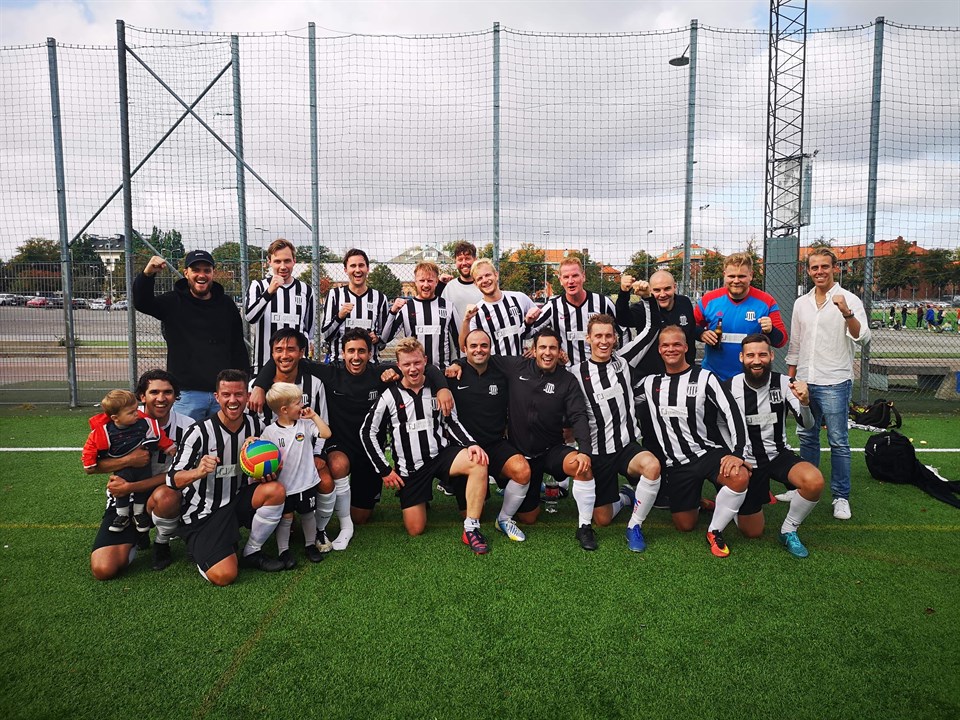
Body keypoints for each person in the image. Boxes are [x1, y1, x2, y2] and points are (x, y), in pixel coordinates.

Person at [250, 328, 452, 549]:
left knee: (361, 517)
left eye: (362, 351)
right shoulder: (330, 373)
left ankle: (347, 511)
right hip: (341, 445)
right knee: (338, 465)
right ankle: (342, 526)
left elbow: (425, 366)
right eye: (351, 351)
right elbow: (285, 359)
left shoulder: (382, 373)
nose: (356, 357)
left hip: (370, 451)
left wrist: (443, 387)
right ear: (343, 353)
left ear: (370, 353)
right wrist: (259, 385)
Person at [463, 327, 597, 550]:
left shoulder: (568, 380)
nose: (547, 352)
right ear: (533, 350)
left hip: (551, 450)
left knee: (582, 467)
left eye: (552, 348)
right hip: (520, 453)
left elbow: (578, 415)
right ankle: (511, 505)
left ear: (559, 352)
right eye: (542, 347)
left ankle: (584, 527)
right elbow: (480, 356)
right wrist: (457, 363)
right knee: (529, 517)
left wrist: (584, 450)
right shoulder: (516, 366)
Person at [155, 369, 287, 585]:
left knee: (275, 490)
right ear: (217, 397)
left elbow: (272, 463)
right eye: (226, 395)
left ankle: (252, 551)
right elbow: (172, 479)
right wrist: (198, 471)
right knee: (224, 575)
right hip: (205, 510)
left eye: (239, 394)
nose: (233, 400)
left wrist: (270, 470)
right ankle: (201, 548)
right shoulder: (198, 432)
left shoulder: (257, 426)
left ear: (247, 396)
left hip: (237, 500)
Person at [361, 338, 492, 554]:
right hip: (411, 468)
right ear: (398, 366)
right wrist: (384, 469)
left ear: (425, 361)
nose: (412, 369)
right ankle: (421, 498)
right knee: (415, 529)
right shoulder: (389, 395)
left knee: (478, 461)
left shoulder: (438, 390)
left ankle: (471, 528)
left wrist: (471, 444)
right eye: (406, 364)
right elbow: (367, 432)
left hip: (441, 456)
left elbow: (452, 422)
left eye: (417, 363)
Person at [635, 326, 750, 558]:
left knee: (739, 476)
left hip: (706, 453)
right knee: (684, 525)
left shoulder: (705, 377)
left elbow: (732, 412)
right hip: (676, 464)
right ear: (659, 350)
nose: (671, 349)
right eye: (666, 345)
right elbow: (623, 399)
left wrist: (738, 452)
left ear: (686, 347)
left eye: (677, 344)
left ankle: (714, 530)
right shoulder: (649, 384)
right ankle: (698, 501)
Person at [786, 248, 870, 520]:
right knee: (807, 436)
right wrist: (791, 377)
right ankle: (804, 488)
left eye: (825, 266)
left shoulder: (850, 299)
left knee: (838, 441)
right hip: (805, 381)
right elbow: (796, 343)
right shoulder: (801, 303)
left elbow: (863, 337)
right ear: (808, 271)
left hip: (835, 381)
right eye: (814, 267)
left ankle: (840, 496)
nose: (819, 272)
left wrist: (846, 313)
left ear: (835, 268)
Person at [569, 313, 662, 552]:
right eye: (598, 336)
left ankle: (634, 526)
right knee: (603, 519)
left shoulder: (623, 361)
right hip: (598, 452)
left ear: (615, 339)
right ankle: (625, 497)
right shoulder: (575, 373)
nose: (603, 341)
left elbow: (651, 330)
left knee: (652, 466)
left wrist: (647, 300)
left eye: (608, 336)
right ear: (588, 338)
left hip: (625, 447)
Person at [87, 370, 193, 579]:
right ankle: (137, 534)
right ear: (142, 396)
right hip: (125, 500)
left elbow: (182, 474)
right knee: (103, 569)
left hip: (163, 495)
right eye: (154, 392)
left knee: (167, 495)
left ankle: (162, 543)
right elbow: (91, 467)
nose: (161, 398)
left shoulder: (188, 426)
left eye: (168, 392)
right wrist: (128, 460)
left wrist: (130, 487)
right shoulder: (114, 423)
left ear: (175, 396)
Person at [726, 334, 824, 558]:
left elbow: (808, 424)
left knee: (814, 481)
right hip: (747, 461)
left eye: (762, 354)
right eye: (750, 355)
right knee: (752, 532)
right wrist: (734, 455)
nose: (756, 360)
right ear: (742, 358)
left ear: (771, 356)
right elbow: (719, 426)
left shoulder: (785, 383)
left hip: (778, 455)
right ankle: (739, 504)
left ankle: (788, 530)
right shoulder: (730, 386)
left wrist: (805, 402)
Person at [133, 250, 249, 420]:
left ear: (213, 273)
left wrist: (244, 382)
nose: (201, 275)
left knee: (224, 437)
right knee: (185, 437)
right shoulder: (173, 301)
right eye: (196, 270)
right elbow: (142, 303)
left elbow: (238, 346)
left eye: (207, 270)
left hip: (223, 392)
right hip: (186, 393)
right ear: (186, 273)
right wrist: (148, 274)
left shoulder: (226, 304)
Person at [249, 328, 336, 551]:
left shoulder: (314, 384)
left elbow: (323, 420)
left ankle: (320, 531)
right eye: (278, 350)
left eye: (290, 349)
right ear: (272, 353)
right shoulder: (256, 386)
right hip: (270, 459)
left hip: (305, 454)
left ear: (301, 352)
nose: (284, 355)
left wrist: (317, 454)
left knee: (326, 481)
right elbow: (251, 425)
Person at [447, 328, 532, 541]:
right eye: (473, 346)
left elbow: (535, 364)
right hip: (465, 450)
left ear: (491, 348)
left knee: (522, 471)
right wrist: (451, 372)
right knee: (472, 512)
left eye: (484, 345)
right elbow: (428, 373)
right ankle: (478, 488)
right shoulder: (453, 375)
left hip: (494, 444)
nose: (479, 350)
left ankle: (504, 519)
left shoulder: (503, 372)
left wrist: (559, 357)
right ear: (464, 349)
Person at [82, 389, 176, 534]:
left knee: (141, 493)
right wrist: (89, 462)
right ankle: (122, 515)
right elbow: (90, 448)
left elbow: (159, 436)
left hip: (145, 472)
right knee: (121, 490)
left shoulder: (144, 423)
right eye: (131, 412)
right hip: (122, 473)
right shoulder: (103, 431)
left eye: (136, 410)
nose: (137, 414)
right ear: (115, 418)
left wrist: (169, 447)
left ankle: (138, 514)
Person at [260, 382, 332, 567]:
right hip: (285, 486)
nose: (302, 405)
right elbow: (263, 457)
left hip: (307, 482)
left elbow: (326, 433)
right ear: (284, 410)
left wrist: (314, 416)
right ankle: (283, 551)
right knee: (286, 517)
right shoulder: (270, 432)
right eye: (298, 402)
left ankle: (310, 546)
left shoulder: (306, 424)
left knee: (308, 515)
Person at [693, 252, 787, 381]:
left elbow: (781, 341)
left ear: (751, 275)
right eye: (731, 276)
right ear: (724, 275)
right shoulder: (709, 300)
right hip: (714, 376)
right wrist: (701, 334)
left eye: (741, 276)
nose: (736, 281)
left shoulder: (766, 302)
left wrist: (771, 330)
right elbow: (690, 327)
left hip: (750, 379)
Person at [530, 256, 618, 366]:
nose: (571, 281)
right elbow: (529, 333)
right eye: (566, 277)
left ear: (583, 276)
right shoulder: (553, 306)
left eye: (575, 276)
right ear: (560, 280)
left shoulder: (603, 302)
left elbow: (622, 331)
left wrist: (619, 357)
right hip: (567, 370)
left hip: (600, 369)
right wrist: (529, 325)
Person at [244, 238, 315, 372]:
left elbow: (309, 332)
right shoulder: (258, 286)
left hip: (297, 367)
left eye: (287, 261)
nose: (283, 266)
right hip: (265, 365)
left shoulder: (306, 290)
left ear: (294, 261)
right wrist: (269, 292)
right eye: (277, 261)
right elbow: (250, 318)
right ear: (269, 261)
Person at [617, 269, 697, 377]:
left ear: (675, 287)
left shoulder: (684, 302)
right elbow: (623, 319)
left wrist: (701, 333)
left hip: (682, 373)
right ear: (650, 290)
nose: (662, 294)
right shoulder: (642, 309)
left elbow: (690, 333)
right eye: (657, 290)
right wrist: (624, 293)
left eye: (667, 289)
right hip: (652, 376)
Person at [320, 248, 388, 363]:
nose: (357, 270)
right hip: (339, 363)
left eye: (361, 265)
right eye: (353, 266)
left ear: (367, 269)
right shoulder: (334, 295)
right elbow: (325, 335)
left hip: (369, 365)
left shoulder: (380, 298)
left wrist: (377, 339)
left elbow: (383, 341)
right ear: (346, 270)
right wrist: (339, 317)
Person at [381, 261, 454, 367]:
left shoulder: (448, 306)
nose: (426, 284)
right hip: (414, 371)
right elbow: (385, 339)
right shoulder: (406, 308)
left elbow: (458, 341)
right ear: (415, 282)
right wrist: (393, 312)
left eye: (430, 280)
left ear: (436, 282)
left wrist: (457, 364)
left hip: (442, 370)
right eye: (422, 280)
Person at [462, 258, 540, 355]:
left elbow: (543, 323)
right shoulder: (476, 312)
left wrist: (535, 347)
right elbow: (464, 347)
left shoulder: (519, 298)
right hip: (494, 364)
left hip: (521, 362)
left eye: (488, 275)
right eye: (479, 278)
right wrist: (466, 320)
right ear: (475, 284)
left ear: (496, 275)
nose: (485, 280)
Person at [436, 241, 483, 351]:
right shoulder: (449, 287)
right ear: (455, 262)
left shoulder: (483, 286)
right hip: (457, 348)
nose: (464, 263)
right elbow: (434, 306)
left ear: (475, 259)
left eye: (468, 258)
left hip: (481, 346)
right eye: (460, 259)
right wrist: (440, 285)